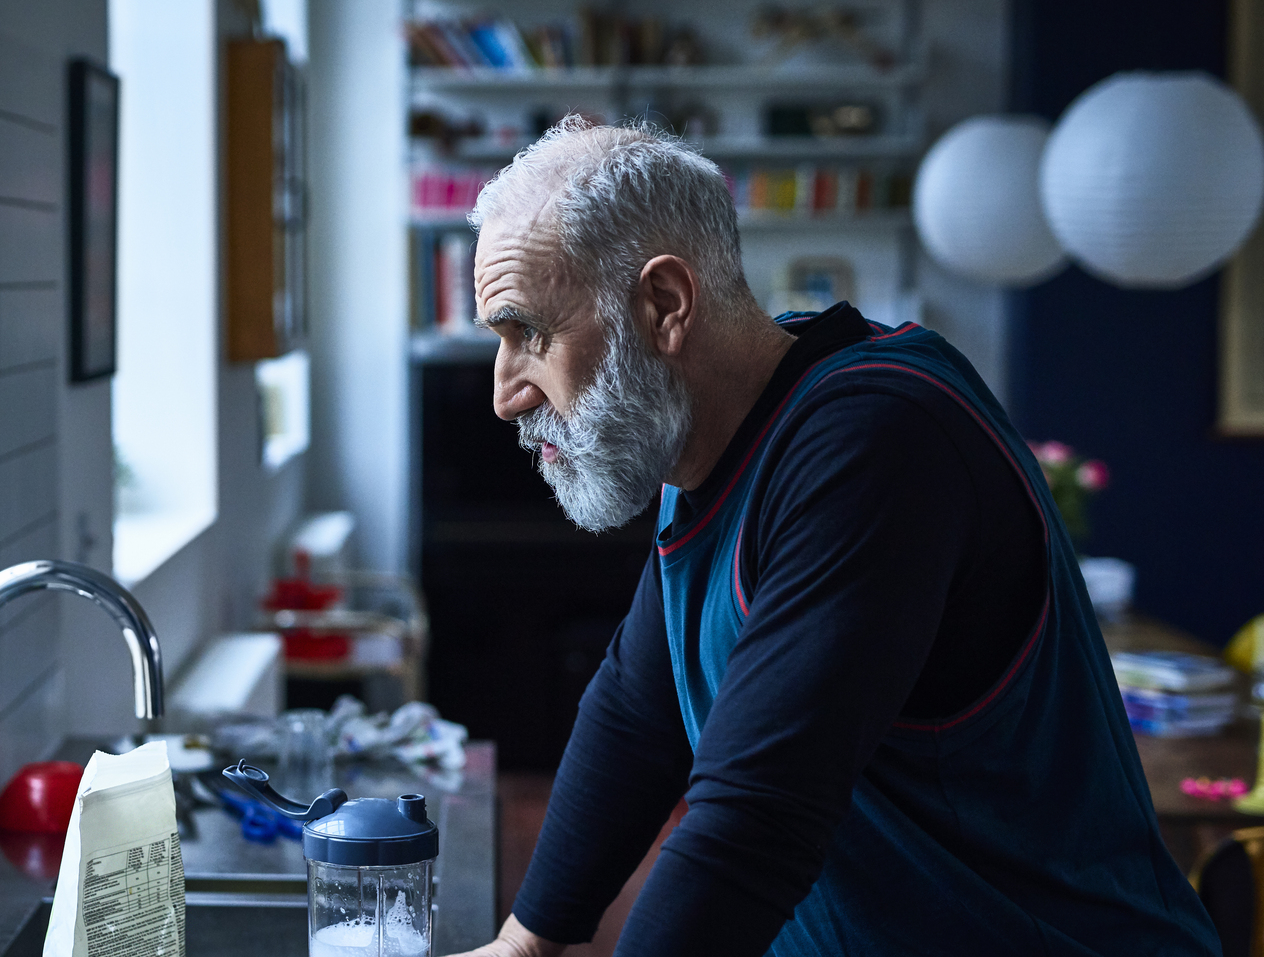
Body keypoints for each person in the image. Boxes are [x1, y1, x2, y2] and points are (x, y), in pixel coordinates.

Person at [449, 119, 1217, 956]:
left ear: (664, 306)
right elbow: (640, 714)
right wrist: (525, 943)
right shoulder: (704, 435)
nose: (505, 395)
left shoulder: (875, 438)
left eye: (529, 333)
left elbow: (755, 816)